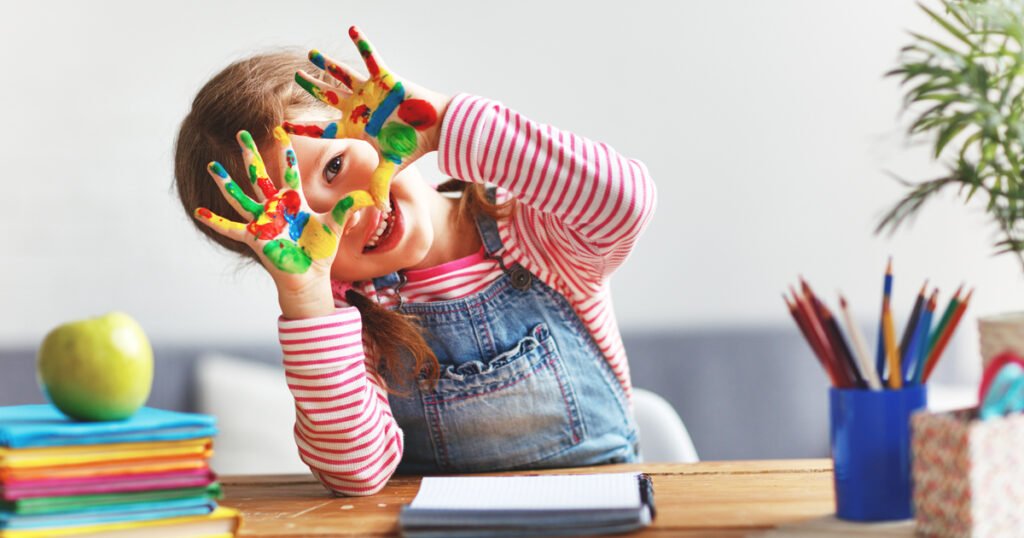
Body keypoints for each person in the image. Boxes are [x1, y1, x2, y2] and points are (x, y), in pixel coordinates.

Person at [174, 26, 657, 496]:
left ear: (376, 122)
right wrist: (308, 299)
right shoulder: (347, 318)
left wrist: (442, 122)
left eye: (334, 166)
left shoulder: (533, 231)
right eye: (297, 223)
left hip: (604, 508)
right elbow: (356, 474)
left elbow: (623, 202)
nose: (347, 211)